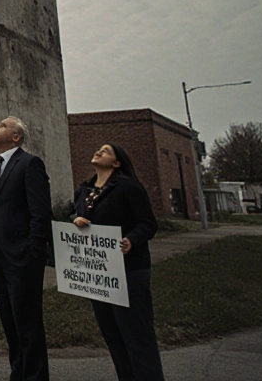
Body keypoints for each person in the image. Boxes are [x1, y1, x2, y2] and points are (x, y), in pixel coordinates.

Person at [73, 144, 164, 381]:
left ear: (117, 163)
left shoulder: (128, 186)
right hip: (100, 273)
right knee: (112, 334)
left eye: (106, 150)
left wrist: (131, 240)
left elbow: (148, 223)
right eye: (98, 149)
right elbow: (72, 213)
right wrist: (76, 219)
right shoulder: (85, 190)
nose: (98, 152)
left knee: (137, 334)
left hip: (129, 270)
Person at [0, 117, 51, 381]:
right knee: (9, 321)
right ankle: (17, 373)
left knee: (27, 321)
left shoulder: (30, 164)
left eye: (3, 125)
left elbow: (40, 211)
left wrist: (33, 249)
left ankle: (35, 376)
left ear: (16, 137)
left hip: (22, 256)